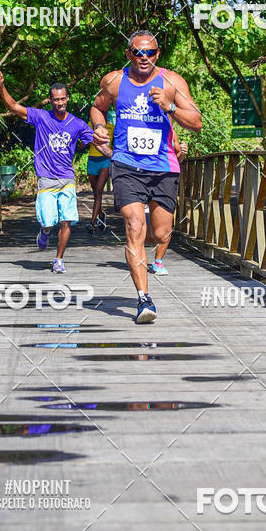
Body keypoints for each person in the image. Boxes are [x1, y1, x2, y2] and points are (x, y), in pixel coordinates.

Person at [90, 31, 202, 323]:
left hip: (163, 167)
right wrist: (99, 128)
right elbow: (97, 107)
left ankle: (147, 242)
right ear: (129, 54)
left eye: (149, 52)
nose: (144, 58)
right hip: (126, 165)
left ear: (157, 54)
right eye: (138, 52)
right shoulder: (115, 81)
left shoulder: (172, 82)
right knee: (134, 226)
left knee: (161, 234)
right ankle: (144, 299)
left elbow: (196, 122)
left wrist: (170, 106)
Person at [0, 71, 104, 273]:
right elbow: (14, 107)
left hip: (67, 178)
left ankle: (59, 259)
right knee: (48, 221)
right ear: (50, 100)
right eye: (56, 99)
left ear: (67, 99)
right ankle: (44, 231)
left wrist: (116, 156)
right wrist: (1, 86)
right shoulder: (41, 116)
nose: (60, 103)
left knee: (66, 221)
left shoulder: (77, 124)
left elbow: (96, 143)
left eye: (63, 99)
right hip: (46, 178)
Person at [148, 129, 188, 275]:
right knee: (138, 225)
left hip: (165, 176)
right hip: (139, 174)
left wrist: (182, 153)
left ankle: (158, 261)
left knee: (162, 229)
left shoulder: (170, 130)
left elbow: (178, 158)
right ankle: (136, 256)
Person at [86, 107, 115, 234]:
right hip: (92, 161)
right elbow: (82, 145)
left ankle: (92, 222)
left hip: (105, 161)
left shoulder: (112, 128)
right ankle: (101, 214)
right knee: (95, 193)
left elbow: (116, 144)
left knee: (98, 191)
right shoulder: (89, 126)